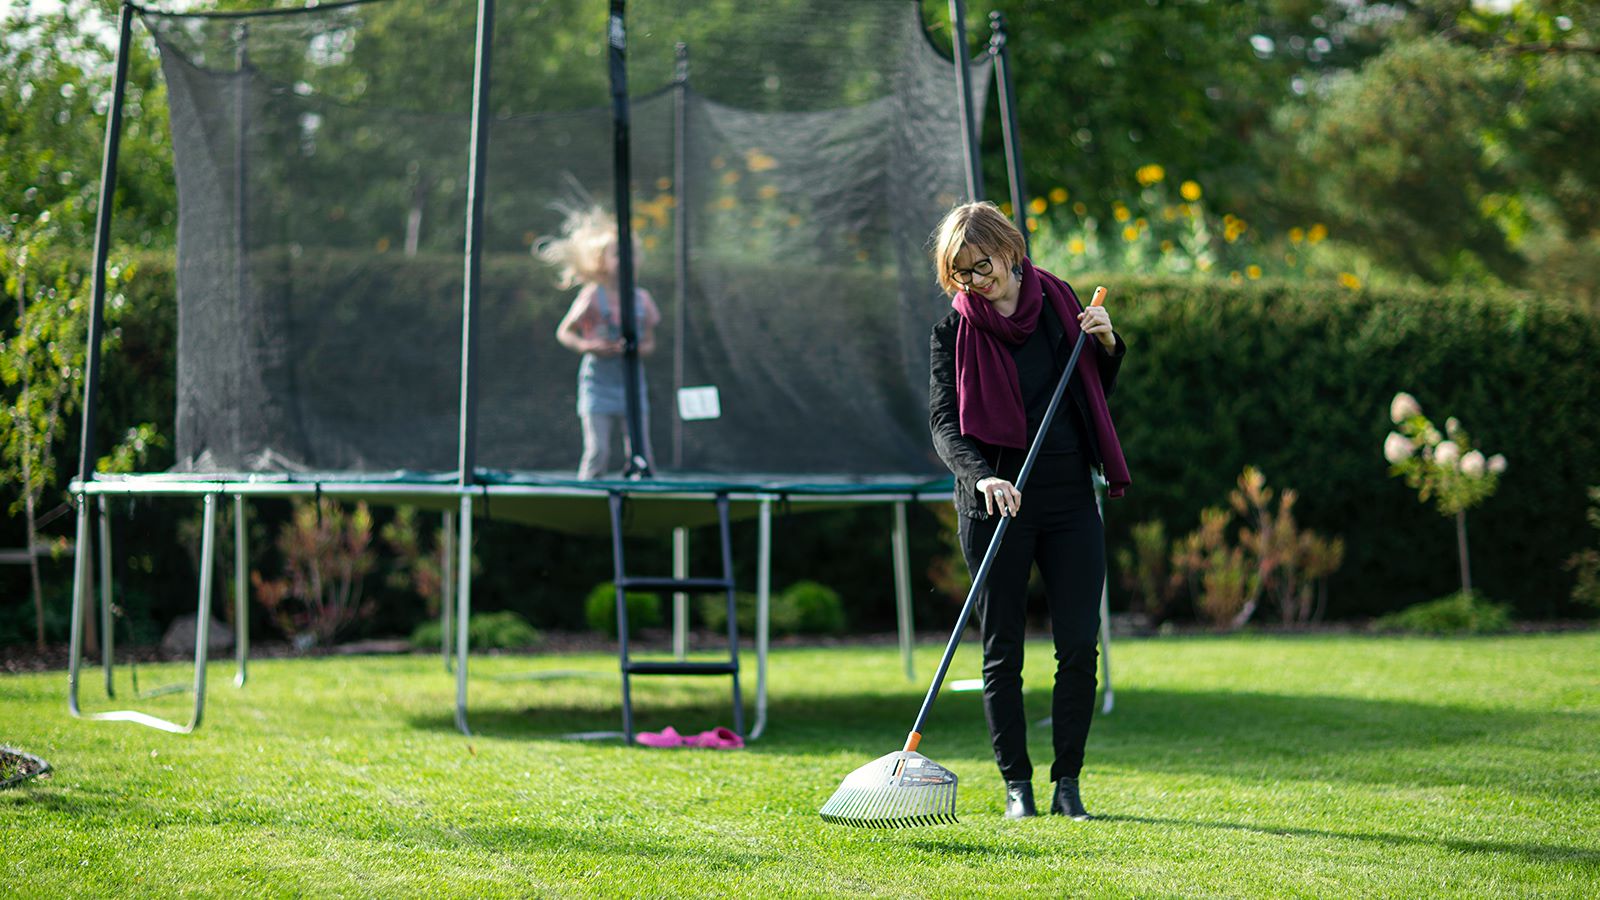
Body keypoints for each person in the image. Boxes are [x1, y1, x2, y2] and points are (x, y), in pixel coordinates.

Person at [926, 201, 1132, 821]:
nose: (975, 282)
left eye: (981, 265)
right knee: (1002, 649)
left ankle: (1067, 781)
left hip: (1069, 493)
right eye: (961, 274)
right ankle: (1017, 786)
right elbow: (943, 423)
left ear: (1009, 251)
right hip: (996, 505)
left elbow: (1094, 386)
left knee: (1078, 646)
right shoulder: (953, 332)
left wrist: (1108, 341)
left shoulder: (1062, 305)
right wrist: (983, 478)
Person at [540, 206, 660, 479]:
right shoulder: (593, 296)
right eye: (618, 254)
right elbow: (565, 332)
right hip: (598, 383)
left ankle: (644, 498)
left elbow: (651, 342)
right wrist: (587, 346)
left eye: (631, 253)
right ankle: (588, 500)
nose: (627, 259)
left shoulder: (642, 300)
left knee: (642, 452)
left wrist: (637, 349)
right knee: (598, 451)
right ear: (601, 260)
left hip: (631, 383)